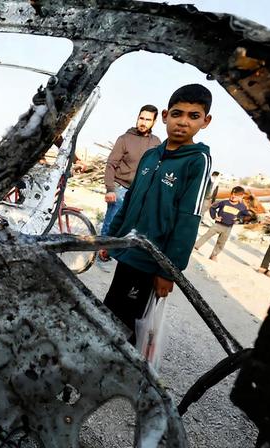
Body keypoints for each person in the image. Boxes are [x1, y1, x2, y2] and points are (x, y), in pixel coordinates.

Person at [102, 84, 213, 338]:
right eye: (177, 114)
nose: (183, 122)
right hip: (128, 250)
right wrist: (112, 238)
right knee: (109, 310)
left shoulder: (198, 161)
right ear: (165, 116)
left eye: (193, 116)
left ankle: (119, 369)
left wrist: (168, 270)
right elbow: (129, 201)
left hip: (151, 261)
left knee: (128, 327)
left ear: (205, 121)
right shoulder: (151, 155)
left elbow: (189, 220)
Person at [98, 105, 162, 261]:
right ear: (137, 118)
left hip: (140, 192)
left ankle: (116, 253)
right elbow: (111, 164)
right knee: (111, 223)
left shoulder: (157, 142)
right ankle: (102, 255)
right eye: (141, 118)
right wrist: (110, 189)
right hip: (120, 188)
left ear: (154, 122)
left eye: (148, 119)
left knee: (130, 226)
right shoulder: (125, 139)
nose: (143, 122)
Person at [194, 186, 249, 261]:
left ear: (241, 196)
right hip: (217, 225)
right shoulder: (224, 202)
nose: (233, 196)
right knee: (207, 235)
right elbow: (212, 208)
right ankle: (196, 247)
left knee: (221, 242)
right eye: (232, 194)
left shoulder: (242, 207)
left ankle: (214, 255)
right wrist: (214, 217)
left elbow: (246, 215)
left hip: (228, 228)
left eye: (236, 195)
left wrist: (239, 219)